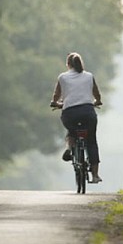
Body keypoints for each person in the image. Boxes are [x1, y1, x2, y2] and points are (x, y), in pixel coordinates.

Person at [50, 52, 103, 184]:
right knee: (91, 141)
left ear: (68, 65)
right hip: (88, 112)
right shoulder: (89, 76)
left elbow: (56, 96)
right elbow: (97, 94)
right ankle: (95, 175)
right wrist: (97, 101)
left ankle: (69, 148)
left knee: (72, 132)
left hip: (70, 113)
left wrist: (55, 103)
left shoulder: (62, 77)